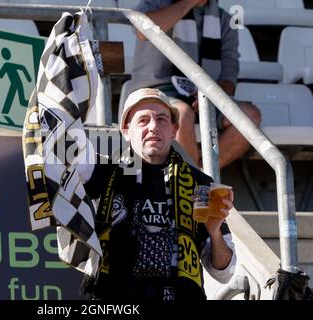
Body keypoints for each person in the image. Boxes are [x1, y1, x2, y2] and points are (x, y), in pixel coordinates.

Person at [80, 87, 236, 300]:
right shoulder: (103, 173)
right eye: (143, 120)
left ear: (174, 130)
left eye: (161, 119)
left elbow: (224, 272)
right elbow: (56, 160)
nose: (153, 127)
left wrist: (215, 232)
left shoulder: (200, 183)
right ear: (126, 130)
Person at [131, 0, 262, 169]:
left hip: (207, 96)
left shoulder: (225, 19)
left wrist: (213, 98)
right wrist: (189, 2)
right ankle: (194, 184)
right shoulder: (157, 2)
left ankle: (201, 176)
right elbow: (142, 30)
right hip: (158, 92)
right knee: (182, 115)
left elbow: (229, 75)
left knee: (250, 116)